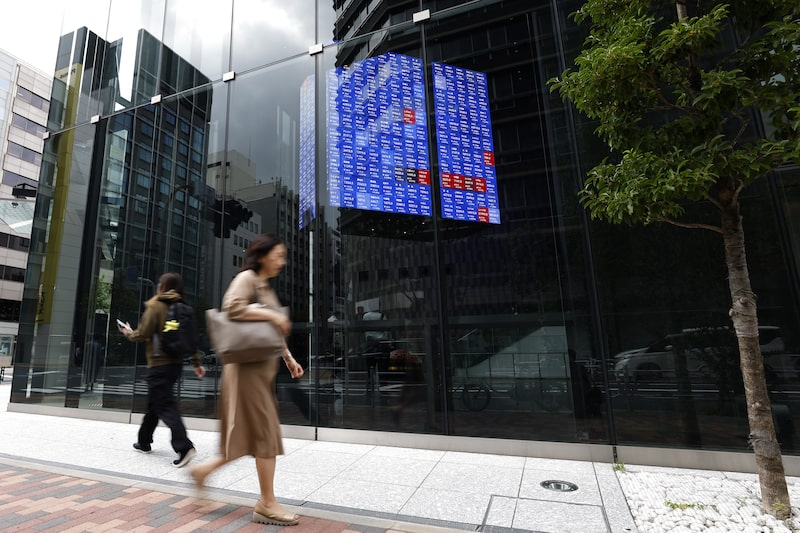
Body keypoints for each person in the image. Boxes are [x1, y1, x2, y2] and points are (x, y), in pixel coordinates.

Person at [190, 233, 304, 527]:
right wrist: (271, 314)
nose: (282, 261)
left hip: (257, 371)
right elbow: (232, 307)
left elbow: (269, 331)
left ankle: (203, 471)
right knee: (266, 434)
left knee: (251, 436)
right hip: (247, 371)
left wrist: (288, 358)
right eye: (278, 255)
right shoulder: (249, 278)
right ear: (262, 255)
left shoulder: (265, 287)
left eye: (283, 256)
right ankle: (267, 504)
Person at [117, 272, 205, 468]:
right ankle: (144, 441)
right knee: (155, 404)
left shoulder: (157, 305)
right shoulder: (184, 308)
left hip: (158, 364)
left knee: (164, 405)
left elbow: (144, 333)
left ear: (162, 287)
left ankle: (184, 447)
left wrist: (128, 333)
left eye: (159, 283)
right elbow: (191, 339)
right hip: (175, 365)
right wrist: (197, 363)